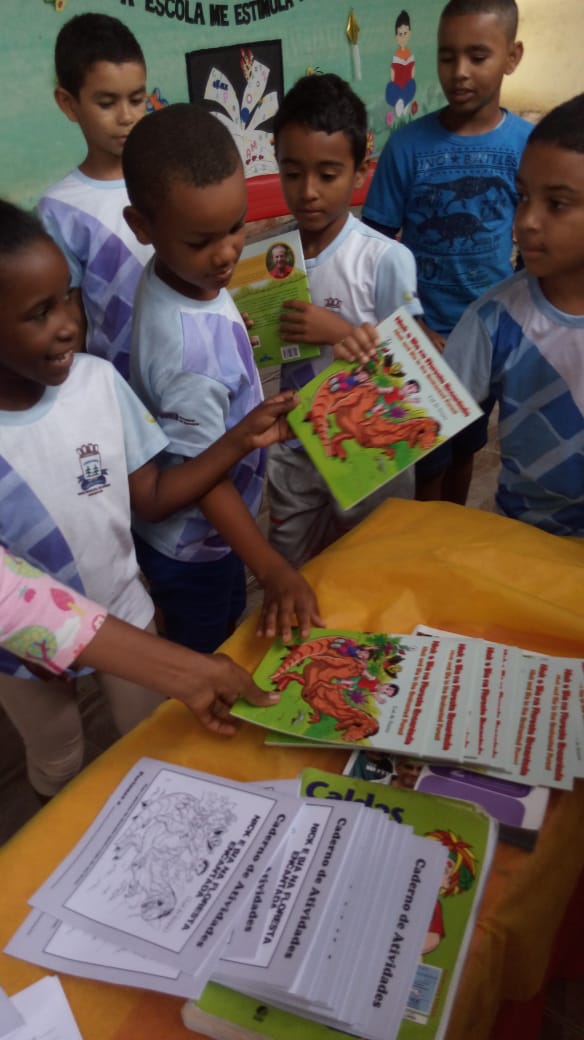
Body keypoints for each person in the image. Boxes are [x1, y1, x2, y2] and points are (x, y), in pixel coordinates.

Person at [0, 199, 298, 796]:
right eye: (39, 313)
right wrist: (29, 639)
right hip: (18, 650)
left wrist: (238, 439)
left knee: (152, 735)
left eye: (68, 298)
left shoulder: (98, 384)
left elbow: (156, 496)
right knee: (57, 757)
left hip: (124, 611)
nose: (69, 323)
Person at [122, 104, 323, 654]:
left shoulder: (175, 275)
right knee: (208, 656)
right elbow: (203, 478)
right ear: (142, 227)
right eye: (202, 241)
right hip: (196, 548)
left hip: (208, 537)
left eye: (236, 227)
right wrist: (271, 567)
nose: (228, 252)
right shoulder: (191, 360)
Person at [363, 0, 530, 504]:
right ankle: (425, 540)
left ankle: (452, 535)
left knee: (465, 450)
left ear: (512, 56)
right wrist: (407, 325)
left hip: (488, 340)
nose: (459, 72)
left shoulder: (528, 145)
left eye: (477, 56)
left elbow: (537, 246)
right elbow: (373, 248)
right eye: (446, 56)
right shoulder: (407, 146)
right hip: (421, 337)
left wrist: (519, 324)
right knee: (425, 459)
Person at [264, 72, 423, 568]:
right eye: (293, 173)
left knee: (369, 566)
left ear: (359, 173)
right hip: (295, 441)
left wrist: (340, 333)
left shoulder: (383, 260)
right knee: (292, 568)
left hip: (369, 448)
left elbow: (415, 376)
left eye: (328, 174)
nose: (308, 191)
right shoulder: (271, 258)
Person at [440, 93, 584, 538]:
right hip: (522, 543)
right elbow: (418, 417)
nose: (527, 221)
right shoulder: (494, 319)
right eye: (522, 197)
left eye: (556, 203)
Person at [0, 547, 280, 742]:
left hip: (116, 602)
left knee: (151, 727)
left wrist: (188, 673)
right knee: (57, 752)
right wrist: (187, 672)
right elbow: (10, 596)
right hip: (26, 637)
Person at [37, 13, 151, 379]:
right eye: (107, 103)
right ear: (68, 104)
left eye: (137, 99)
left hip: (194, 376)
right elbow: (70, 325)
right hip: (121, 388)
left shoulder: (168, 177)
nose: (127, 116)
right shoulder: (59, 211)